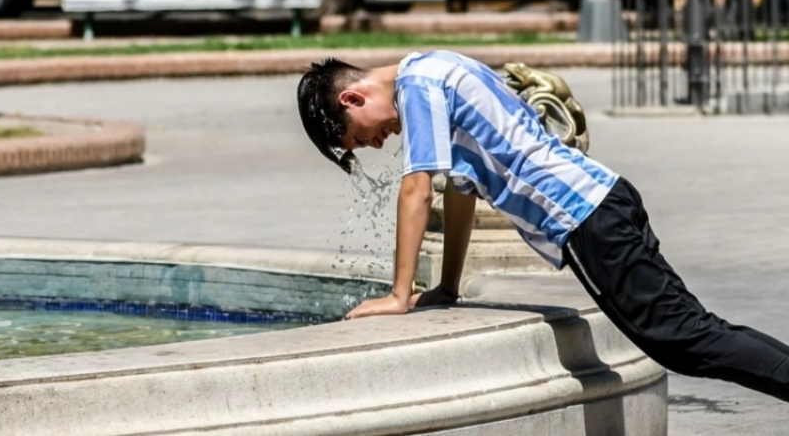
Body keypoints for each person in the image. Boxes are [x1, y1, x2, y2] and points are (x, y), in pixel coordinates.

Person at [296, 49, 789, 402]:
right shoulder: (438, 66)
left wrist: (398, 295)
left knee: (685, 340)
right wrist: (446, 286)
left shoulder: (417, 86)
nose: (377, 144)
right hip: (606, 198)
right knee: (695, 333)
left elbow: (417, 189)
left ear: (352, 99)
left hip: (588, 219)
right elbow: (460, 193)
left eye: (358, 139)